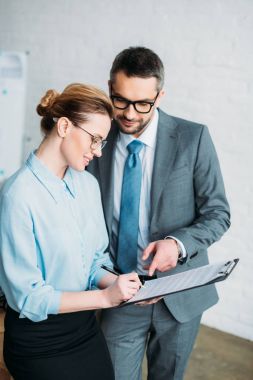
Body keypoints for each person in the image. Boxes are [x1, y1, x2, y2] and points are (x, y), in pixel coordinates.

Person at [87, 47, 231, 380]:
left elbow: (218, 213)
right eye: (120, 100)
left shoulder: (193, 139)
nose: (129, 114)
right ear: (110, 87)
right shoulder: (97, 141)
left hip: (180, 297)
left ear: (160, 95)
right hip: (119, 293)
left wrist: (177, 244)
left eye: (143, 104)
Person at [0, 83, 142, 380]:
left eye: (102, 142)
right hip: (38, 342)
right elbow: (28, 298)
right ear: (64, 126)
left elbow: (93, 262)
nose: (98, 152)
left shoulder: (87, 185)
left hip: (84, 328)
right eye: (94, 140)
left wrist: (123, 287)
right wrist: (104, 299)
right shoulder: (16, 196)